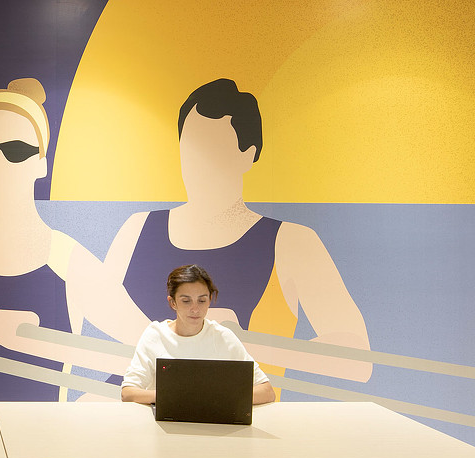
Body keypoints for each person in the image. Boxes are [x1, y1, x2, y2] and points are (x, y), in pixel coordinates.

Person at [106, 79, 371, 384]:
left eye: (214, 150)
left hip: (233, 416)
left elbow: (358, 358)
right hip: (134, 415)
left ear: (248, 154)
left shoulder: (290, 241)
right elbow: (98, 335)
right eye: (191, 147)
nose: (198, 164)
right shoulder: (137, 229)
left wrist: (241, 344)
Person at [0, 78, 144, 401]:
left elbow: (150, 345)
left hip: (37, 439)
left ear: (41, 164)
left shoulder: (66, 259)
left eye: (16, 151)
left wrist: (44, 347)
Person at [121, 264, 275, 458]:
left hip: (214, 447)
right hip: (163, 444)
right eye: (187, 300)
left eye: (202, 300)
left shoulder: (223, 337)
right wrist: (169, 395)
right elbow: (128, 392)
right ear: (172, 302)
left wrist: (217, 397)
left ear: (211, 300)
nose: (195, 308)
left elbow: (266, 391)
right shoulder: (154, 335)